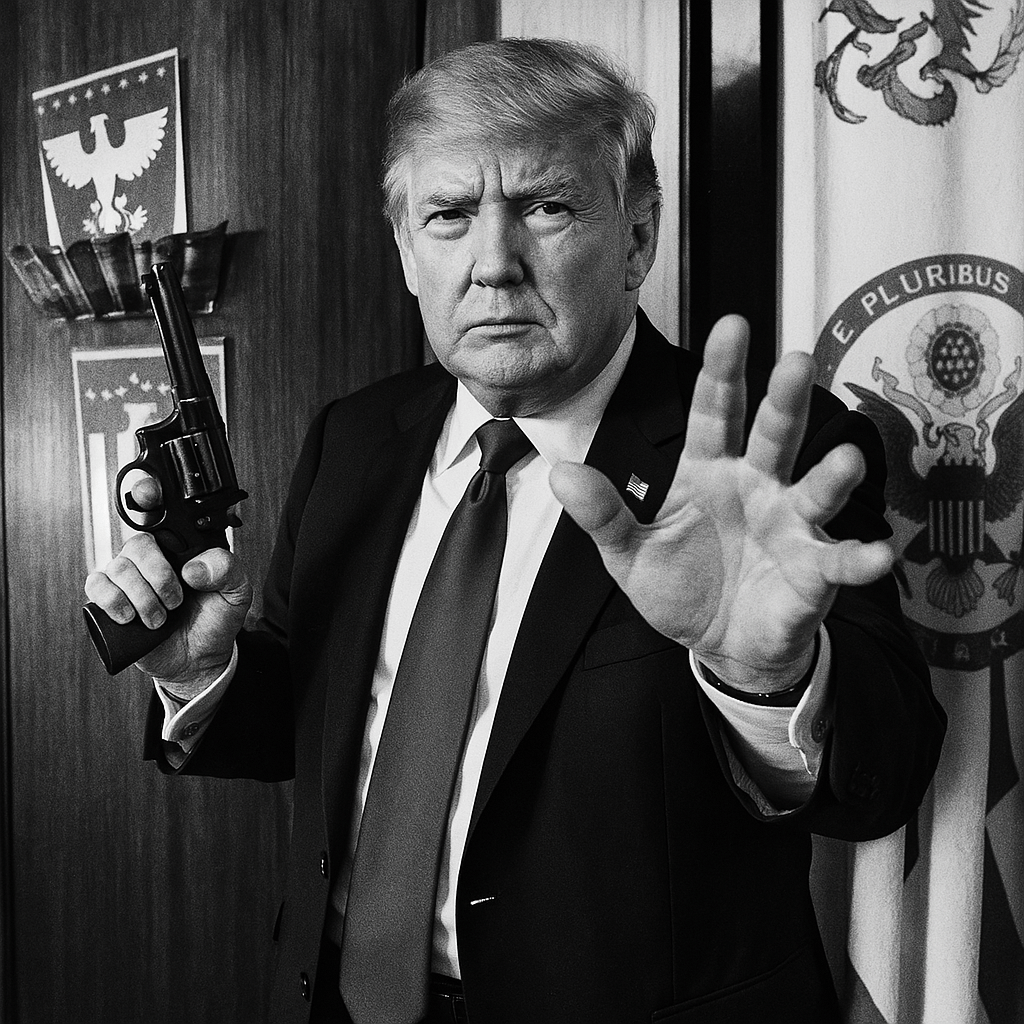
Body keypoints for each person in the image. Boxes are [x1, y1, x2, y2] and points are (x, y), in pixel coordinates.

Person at [85, 38, 945, 1024]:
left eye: (546, 207)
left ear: (637, 237)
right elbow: (316, 719)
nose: (493, 264)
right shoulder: (352, 439)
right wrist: (206, 672)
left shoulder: (768, 456)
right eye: (449, 216)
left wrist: (765, 677)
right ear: (406, 250)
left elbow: (885, 784)